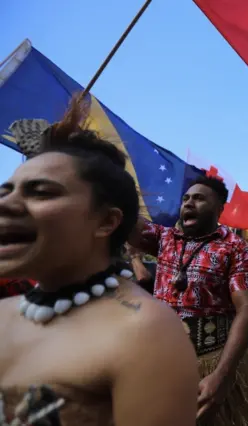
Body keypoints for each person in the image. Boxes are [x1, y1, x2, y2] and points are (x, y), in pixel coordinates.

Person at [0, 99, 199, 425]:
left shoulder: (145, 334)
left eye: (41, 192)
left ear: (106, 221)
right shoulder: (4, 313)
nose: (6, 205)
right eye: (5, 191)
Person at [128, 175, 248, 426]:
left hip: (213, 360)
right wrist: (107, 171)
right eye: (186, 198)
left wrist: (222, 375)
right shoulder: (164, 238)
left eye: (199, 199)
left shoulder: (235, 248)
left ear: (219, 208)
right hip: (162, 361)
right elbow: (124, 222)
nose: (188, 203)